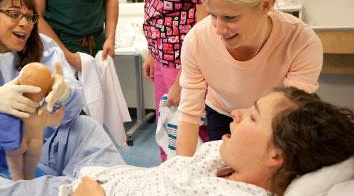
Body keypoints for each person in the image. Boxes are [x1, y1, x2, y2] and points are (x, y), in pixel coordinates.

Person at [0, 0, 124, 190]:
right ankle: (71, 189)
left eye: (30, 17)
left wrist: (64, 92)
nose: (24, 23)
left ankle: (103, 184)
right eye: (14, 14)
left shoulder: (44, 49)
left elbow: (71, 100)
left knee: (86, 126)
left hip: (49, 145)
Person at [175, 0, 324, 157]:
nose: (219, 29)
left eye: (230, 17)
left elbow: (288, 114)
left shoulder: (301, 42)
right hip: (222, 112)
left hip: (274, 119)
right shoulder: (197, 40)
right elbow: (189, 115)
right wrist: (180, 171)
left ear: (265, 4)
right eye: (213, 15)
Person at [69, 87, 354, 195]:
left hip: (86, 191)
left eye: (253, 117)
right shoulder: (228, 158)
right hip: (108, 176)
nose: (237, 113)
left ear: (276, 156)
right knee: (80, 126)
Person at [141, 0, 232, 161]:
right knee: (167, 134)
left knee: (192, 142)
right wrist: (152, 51)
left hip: (190, 64)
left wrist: (184, 78)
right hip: (162, 57)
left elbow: (209, 21)